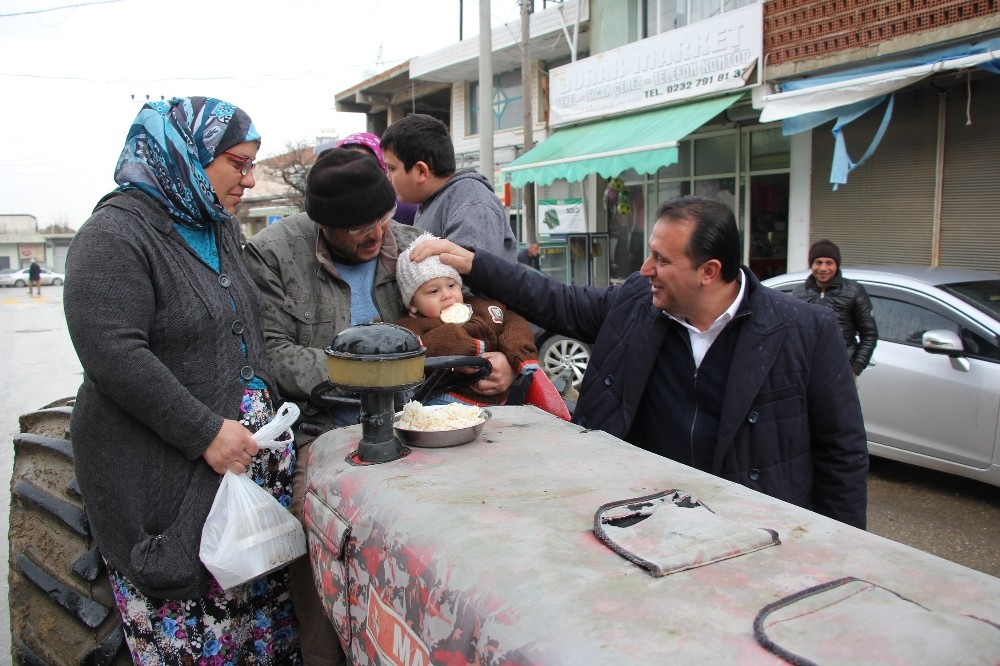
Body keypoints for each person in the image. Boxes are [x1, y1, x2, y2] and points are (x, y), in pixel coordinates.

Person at [410, 195, 869, 530]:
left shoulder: (805, 331)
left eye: (661, 260)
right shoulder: (636, 303)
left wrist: (844, 550)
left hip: (752, 531)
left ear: (709, 272)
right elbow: (555, 299)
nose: (646, 269)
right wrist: (477, 265)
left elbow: (842, 453)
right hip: (642, 521)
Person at [241, 147, 517, 665]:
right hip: (323, 432)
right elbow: (273, 354)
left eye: (383, 219)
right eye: (358, 230)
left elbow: (475, 316)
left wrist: (502, 358)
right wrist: (371, 370)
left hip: (419, 422)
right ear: (323, 225)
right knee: (318, 545)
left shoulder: (414, 247)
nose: (376, 236)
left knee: (468, 537)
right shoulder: (274, 254)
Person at [63, 97, 301, 663]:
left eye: (252, 165)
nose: (249, 180)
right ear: (186, 156)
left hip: (241, 489)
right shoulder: (113, 235)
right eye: (238, 164)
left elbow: (245, 333)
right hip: (168, 494)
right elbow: (114, 354)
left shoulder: (217, 228)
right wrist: (205, 432)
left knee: (260, 641)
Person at [395, 232, 539, 406]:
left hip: (498, 401)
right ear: (412, 304)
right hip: (443, 400)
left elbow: (513, 320)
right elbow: (410, 353)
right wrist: (459, 344)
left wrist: (518, 351)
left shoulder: (481, 307)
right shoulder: (410, 328)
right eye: (433, 291)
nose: (447, 295)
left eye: (451, 285)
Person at [380, 113, 518, 261]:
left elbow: (470, 270)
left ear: (421, 171)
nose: (388, 176)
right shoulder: (432, 201)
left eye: (391, 168)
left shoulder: (472, 202)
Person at [793, 239, 878, 380]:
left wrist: (855, 369)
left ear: (836, 265)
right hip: (806, 374)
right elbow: (793, 335)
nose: (823, 268)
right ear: (811, 264)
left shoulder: (854, 291)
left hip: (841, 373)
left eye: (829, 263)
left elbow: (869, 334)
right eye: (818, 262)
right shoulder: (799, 293)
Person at [335, 131, 419, 225]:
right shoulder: (327, 213)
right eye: (347, 166)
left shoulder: (406, 210)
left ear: (383, 169)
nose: (356, 174)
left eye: (366, 167)